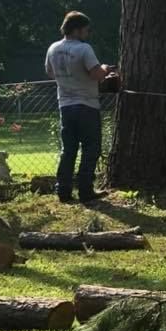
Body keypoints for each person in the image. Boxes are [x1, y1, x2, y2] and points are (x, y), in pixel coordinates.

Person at [45, 12, 118, 204]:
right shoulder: (84, 49)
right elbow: (96, 75)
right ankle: (85, 190)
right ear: (77, 30)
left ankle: (63, 189)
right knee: (90, 148)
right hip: (87, 104)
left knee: (68, 150)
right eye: (86, 30)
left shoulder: (53, 48)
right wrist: (105, 69)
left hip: (65, 105)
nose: (87, 33)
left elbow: (50, 72)